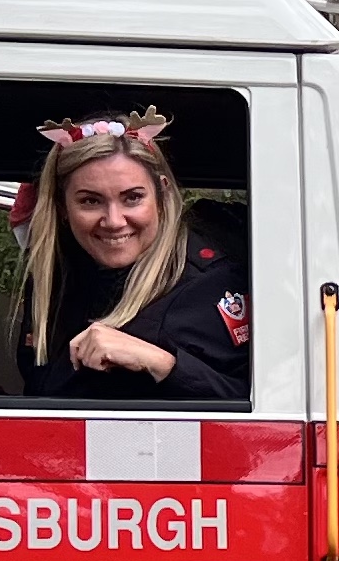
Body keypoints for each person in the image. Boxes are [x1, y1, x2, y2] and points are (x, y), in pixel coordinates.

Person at [18, 109, 251, 405]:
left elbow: (269, 414)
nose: (114, 221)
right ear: (63, 208)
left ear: (162, 194)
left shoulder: (208, 284)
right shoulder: (53, 278)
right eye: (90, 201)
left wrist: (162, 364)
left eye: (132, 198)